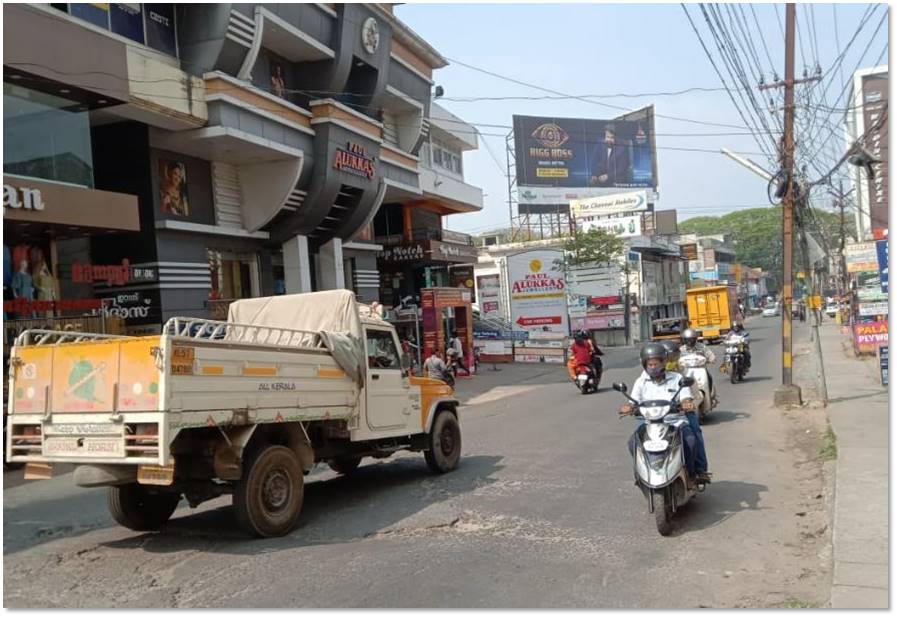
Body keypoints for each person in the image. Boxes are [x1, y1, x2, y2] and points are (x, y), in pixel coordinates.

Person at [619, 342, 711, 484]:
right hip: (649, 422)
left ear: (664, 362)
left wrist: (686, 402)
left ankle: (692, 473)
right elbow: (633, 401)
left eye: (656, 364)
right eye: (650, 364)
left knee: (690, 441)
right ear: (644, 365)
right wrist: (629, 407)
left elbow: (686, 396)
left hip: (674, 421)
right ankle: (641, 474)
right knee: (633, 443)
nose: (653, 367)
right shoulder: (641, 381)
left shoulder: (677, 378)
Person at [679, 327, 717, 406]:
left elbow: (710, 354)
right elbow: (677, 358)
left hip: (700, 369)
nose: (689, 342)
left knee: (709, 377)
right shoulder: (681, 349)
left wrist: (712, 359)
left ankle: (709, 395)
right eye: (687, 339)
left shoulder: (701, 347)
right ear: (684, 340)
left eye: (691, 339)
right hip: (686, 370)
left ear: (695, 339)